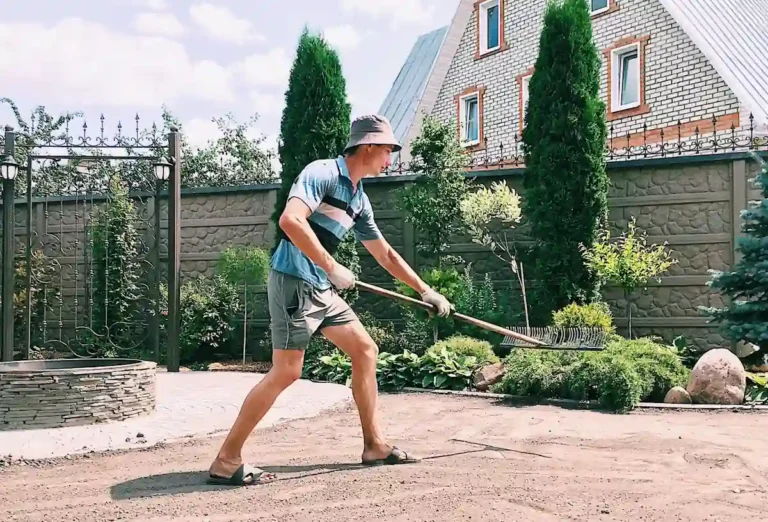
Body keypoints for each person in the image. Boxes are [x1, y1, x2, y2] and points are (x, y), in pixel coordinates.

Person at [207, 114, 453, 486]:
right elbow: (291, 221)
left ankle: (374, 445)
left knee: (365, 350)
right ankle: (226, 460)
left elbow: (385, 254)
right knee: (287, 371)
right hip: (294, 280)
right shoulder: (321, 173)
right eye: (387, 150)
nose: (389, 159)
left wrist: (425, 290)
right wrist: (332, 265)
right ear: (368, 146)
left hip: (322, 288)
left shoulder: (358, 199)